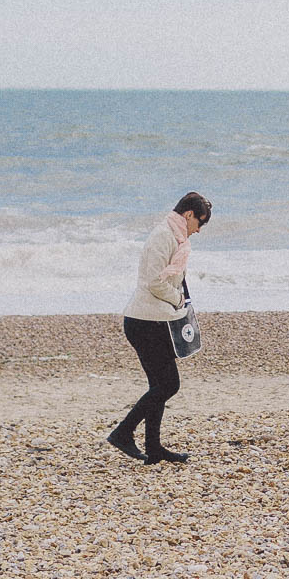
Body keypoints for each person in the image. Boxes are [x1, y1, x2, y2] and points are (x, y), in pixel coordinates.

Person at [107, 192, 211, 465]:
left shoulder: (175, 238)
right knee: (168, 384)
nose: (198, 230)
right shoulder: (163, 236)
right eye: (199, 222)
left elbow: (171, 279)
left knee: (159, 385)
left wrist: (181, 302)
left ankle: (153, 448)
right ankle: (123, 433)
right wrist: (178, 300)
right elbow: (154, 281)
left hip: (155, 319)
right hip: (145, 322)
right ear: (188, 214)